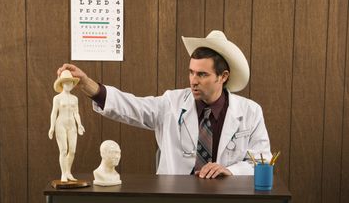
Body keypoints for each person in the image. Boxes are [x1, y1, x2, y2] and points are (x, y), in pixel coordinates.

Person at [57, 30, 271, 179]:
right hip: (174, 200)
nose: (193, 80)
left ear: (223, 76)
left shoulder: (250, 112)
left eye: (202, 74)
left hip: (227, 202)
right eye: (191, 72)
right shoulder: (171, 103)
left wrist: (231, 170)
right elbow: (131, 107)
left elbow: (263, 161)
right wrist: (87, 84)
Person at [48, 70, 85, 182]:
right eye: (66, 82)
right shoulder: (57, 98)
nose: (68, 85)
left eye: (70, 83)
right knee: (63, 150)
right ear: (61, 84)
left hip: (72, 125)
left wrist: (79, 124)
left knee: (72, 150)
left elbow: (76, 113)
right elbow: (54, 113)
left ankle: (68, 171)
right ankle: (63, 173)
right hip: (61, 124)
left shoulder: (75, 98)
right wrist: (52, 127)